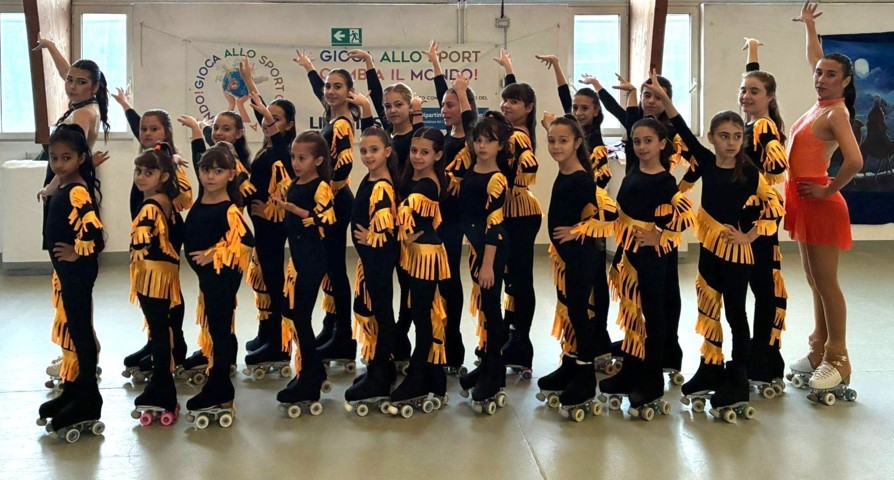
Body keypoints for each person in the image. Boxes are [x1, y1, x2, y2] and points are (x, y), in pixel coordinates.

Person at [786, 2, 863, 404]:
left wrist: (829, 190)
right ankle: (818, 346)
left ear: (845, 81)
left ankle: (839, 357)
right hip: (804, 199)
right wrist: (809, 27)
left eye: (831, 75)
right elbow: (815, 56)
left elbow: (855, 161)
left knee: (827, 283)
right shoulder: (821, 104)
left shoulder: (836, 114)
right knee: (814, 280)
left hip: (820, 201)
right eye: (819, 73)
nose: (821, 78)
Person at [598, 117, 695, 419]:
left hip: (652, 256)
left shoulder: (665, 181)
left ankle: (652, 378)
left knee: (653, 314)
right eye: (637, 141)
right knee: (632, 313)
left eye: (648, 141)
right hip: (630, 253)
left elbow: (686, 214)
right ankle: (631, 366)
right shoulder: (634, 171)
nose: (642, 147)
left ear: (662, 144)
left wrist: (661, 235)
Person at [540, 116, 617, 421]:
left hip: (581, 256)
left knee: (579, 313)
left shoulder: (582, 179)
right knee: (572, 312)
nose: (556, 146)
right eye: (551, 140)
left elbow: (607, 215)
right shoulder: (566, 170)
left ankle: (585, 377)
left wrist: (577, 230)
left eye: (563, 141)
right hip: (568, 257)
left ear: (577, 143)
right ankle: (572, 363)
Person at [36, 125, 105, 440]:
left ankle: (89, 399)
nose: (59, 164)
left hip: (77, 272)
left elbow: (94, 233)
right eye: (54, 158)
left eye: (66, 158)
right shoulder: (64, 184)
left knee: (81, 332)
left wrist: (77, 252)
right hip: (67, 272)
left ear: (80, 158)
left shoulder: (77, 190)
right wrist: (50, 189)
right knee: (75, 332)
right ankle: (74, 389)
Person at [182, 142, 254, 427]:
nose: (210, 176)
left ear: (230, 174)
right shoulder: (202, 201)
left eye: (218, 171)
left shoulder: (229, 209)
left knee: (220, 330)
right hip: (207, 278)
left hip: (222, 276)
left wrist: (214, 253)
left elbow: (246, 240)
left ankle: (221, 388)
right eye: (205, 170)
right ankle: (219, 381)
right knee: (217, 329)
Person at [388, 128, 451, 417]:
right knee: (418, 313)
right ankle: (434, 376)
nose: (417, 156)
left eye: (425, 152)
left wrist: (401, 235)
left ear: (437, 155)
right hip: (414, 256)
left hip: (426, 256)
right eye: (414, 151)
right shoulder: (412, 177)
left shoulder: (427, 184)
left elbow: (407, 222)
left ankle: (419, 377)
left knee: (423, 317)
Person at [273, 131, 336, 416]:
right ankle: (312, 369)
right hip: (298, 259)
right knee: (293, 314)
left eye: (302, 158)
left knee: (300, 316)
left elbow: (328, 219)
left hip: (312, 258)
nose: (296, 163)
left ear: (318, 160)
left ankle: (310, 379)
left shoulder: (320, 186)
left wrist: (299, 211)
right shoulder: (294, 183)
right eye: (294, 158)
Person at [456, 115, 512, 412]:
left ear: (500, 145)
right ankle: (490, 365)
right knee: (487, 309)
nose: (482, 146)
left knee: (492, 309)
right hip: (476, 247)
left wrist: (488, 264)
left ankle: (494, 373)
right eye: (478, 140)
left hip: (491, 249)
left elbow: (494, 224)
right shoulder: (471, 169)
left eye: (489, 141)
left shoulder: (497, 178)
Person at [344, 127, 401, 415]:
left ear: (387, 152)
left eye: (374, 150)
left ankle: (379, 378)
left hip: (379, 258)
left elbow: (389, 230)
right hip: (370, 258)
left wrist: (374, 238)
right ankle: (382, 367)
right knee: (378, 311)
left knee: (382, 313)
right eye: (364, 150)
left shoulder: (382, 186)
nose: (367, 155)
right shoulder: (371, 178)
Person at [129, 143, 183, 425]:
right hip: (164, 274)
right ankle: (162, 385)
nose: (141, 177)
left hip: (152, 277)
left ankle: (162, 388)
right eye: (138, 171)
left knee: (159, 332)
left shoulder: (151, 205)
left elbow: (140, 241)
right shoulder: (166, 199)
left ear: (163, 176)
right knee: (161, 331)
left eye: (148, 172)